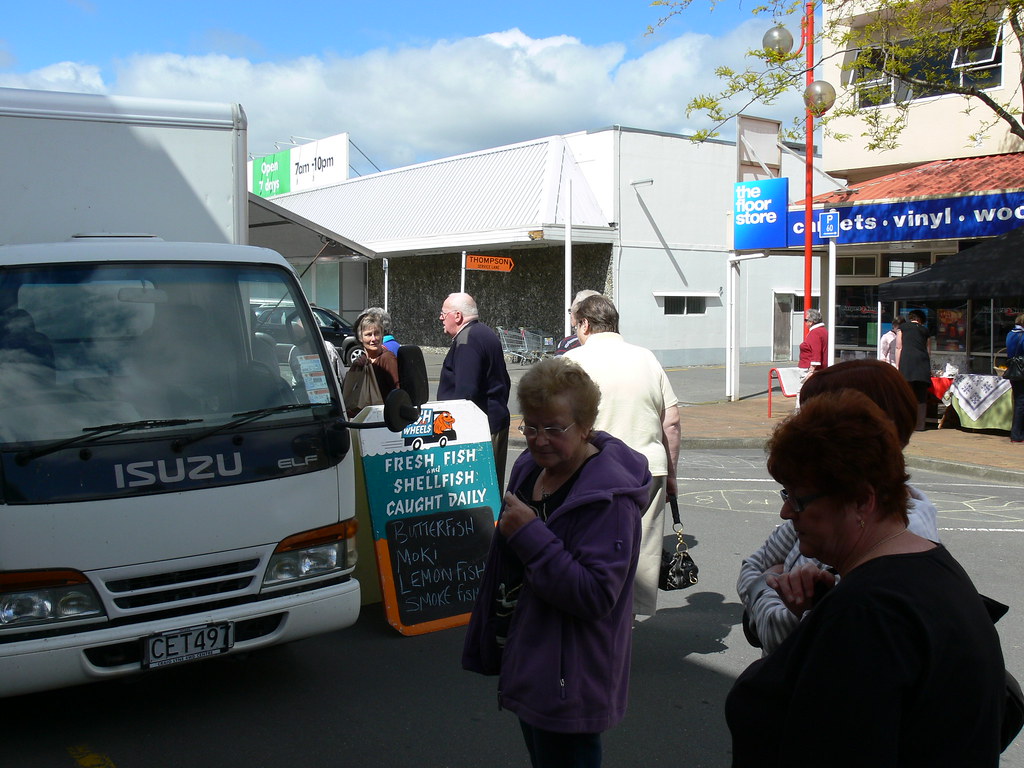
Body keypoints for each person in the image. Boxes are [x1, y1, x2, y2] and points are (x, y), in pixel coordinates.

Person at [726, 389, 1006, 767]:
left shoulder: (866, 614)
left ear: (861, 500)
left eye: (798, 499)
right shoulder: (931, 570)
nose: (785, 512)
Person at [462, 357, 650, 768]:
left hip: (571, 677)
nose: (539, 439)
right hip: (530, 656)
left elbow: (596, 595)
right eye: (530, 426)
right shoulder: (528, 470)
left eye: (554, 428)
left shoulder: (609, 500)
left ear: (585, 427)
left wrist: (529, 535)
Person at [736, 359, 940, 654]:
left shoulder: (883, 550)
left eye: (815, 417)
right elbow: (753, 565)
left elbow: (789, 637)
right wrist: (772, 584)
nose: (787, 512)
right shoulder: (821, 512)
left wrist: (765, 586)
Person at [564, 294, 680, 618]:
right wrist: (671, 474)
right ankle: (628, 616)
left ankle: (600, 618)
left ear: (585, 324)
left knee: (593, 546)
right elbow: (670, 420)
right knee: (640, 548)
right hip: (648, 467)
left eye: (577, 326)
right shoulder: (647, 359)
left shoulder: (573, 362)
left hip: (592, 469)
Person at [438, 292, 511, 493]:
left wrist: (458, 431)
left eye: (444, 314)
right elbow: (504, 380)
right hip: (493, 421)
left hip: (480, 430)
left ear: (458, 316)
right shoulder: (485, 334)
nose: (441, 318)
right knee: (491, 486)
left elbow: (465, 393)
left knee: (481, 491)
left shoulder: (467, 340)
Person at [346, 312, 399, 416]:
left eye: (377, 333)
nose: (374, 339)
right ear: (360, 338)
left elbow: (397, 391)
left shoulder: (387, 358)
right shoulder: (364, 362)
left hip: (382, 419)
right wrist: (355, 368)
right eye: (369, 334)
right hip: (365, 418)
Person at [896, 308, 932, 431]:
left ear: (911, 318)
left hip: (907, 363)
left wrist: (897, 365)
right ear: (920, 320)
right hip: (922, 364)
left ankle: (905, 423)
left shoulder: (903, 328)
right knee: (921, 396)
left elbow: (898, 347)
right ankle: (920, 425)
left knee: (906, 393)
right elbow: (928, 350)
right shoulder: (925, 330)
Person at [554, 289, 601, 356]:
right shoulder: (617, 343)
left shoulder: (569, 345)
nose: (571, 315)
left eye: (571, 311)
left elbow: (557, 365)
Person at [797, 308, 828, 381]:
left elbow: (816, 352)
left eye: (806, 320)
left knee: (803, 390)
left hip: (809, 368)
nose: (805, 322)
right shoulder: (823, 331)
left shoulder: (815, 333)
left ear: (811, 322)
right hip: (820, 369)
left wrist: (811, 371)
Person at [1007, 313, 1024, 443]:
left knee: (1018, 401)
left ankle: (1016, 433)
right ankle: (1017, 434)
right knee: (1021, 403)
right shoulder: (1022, 336)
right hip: (1022, 371)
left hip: (1014, 371)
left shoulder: (1010, 334)